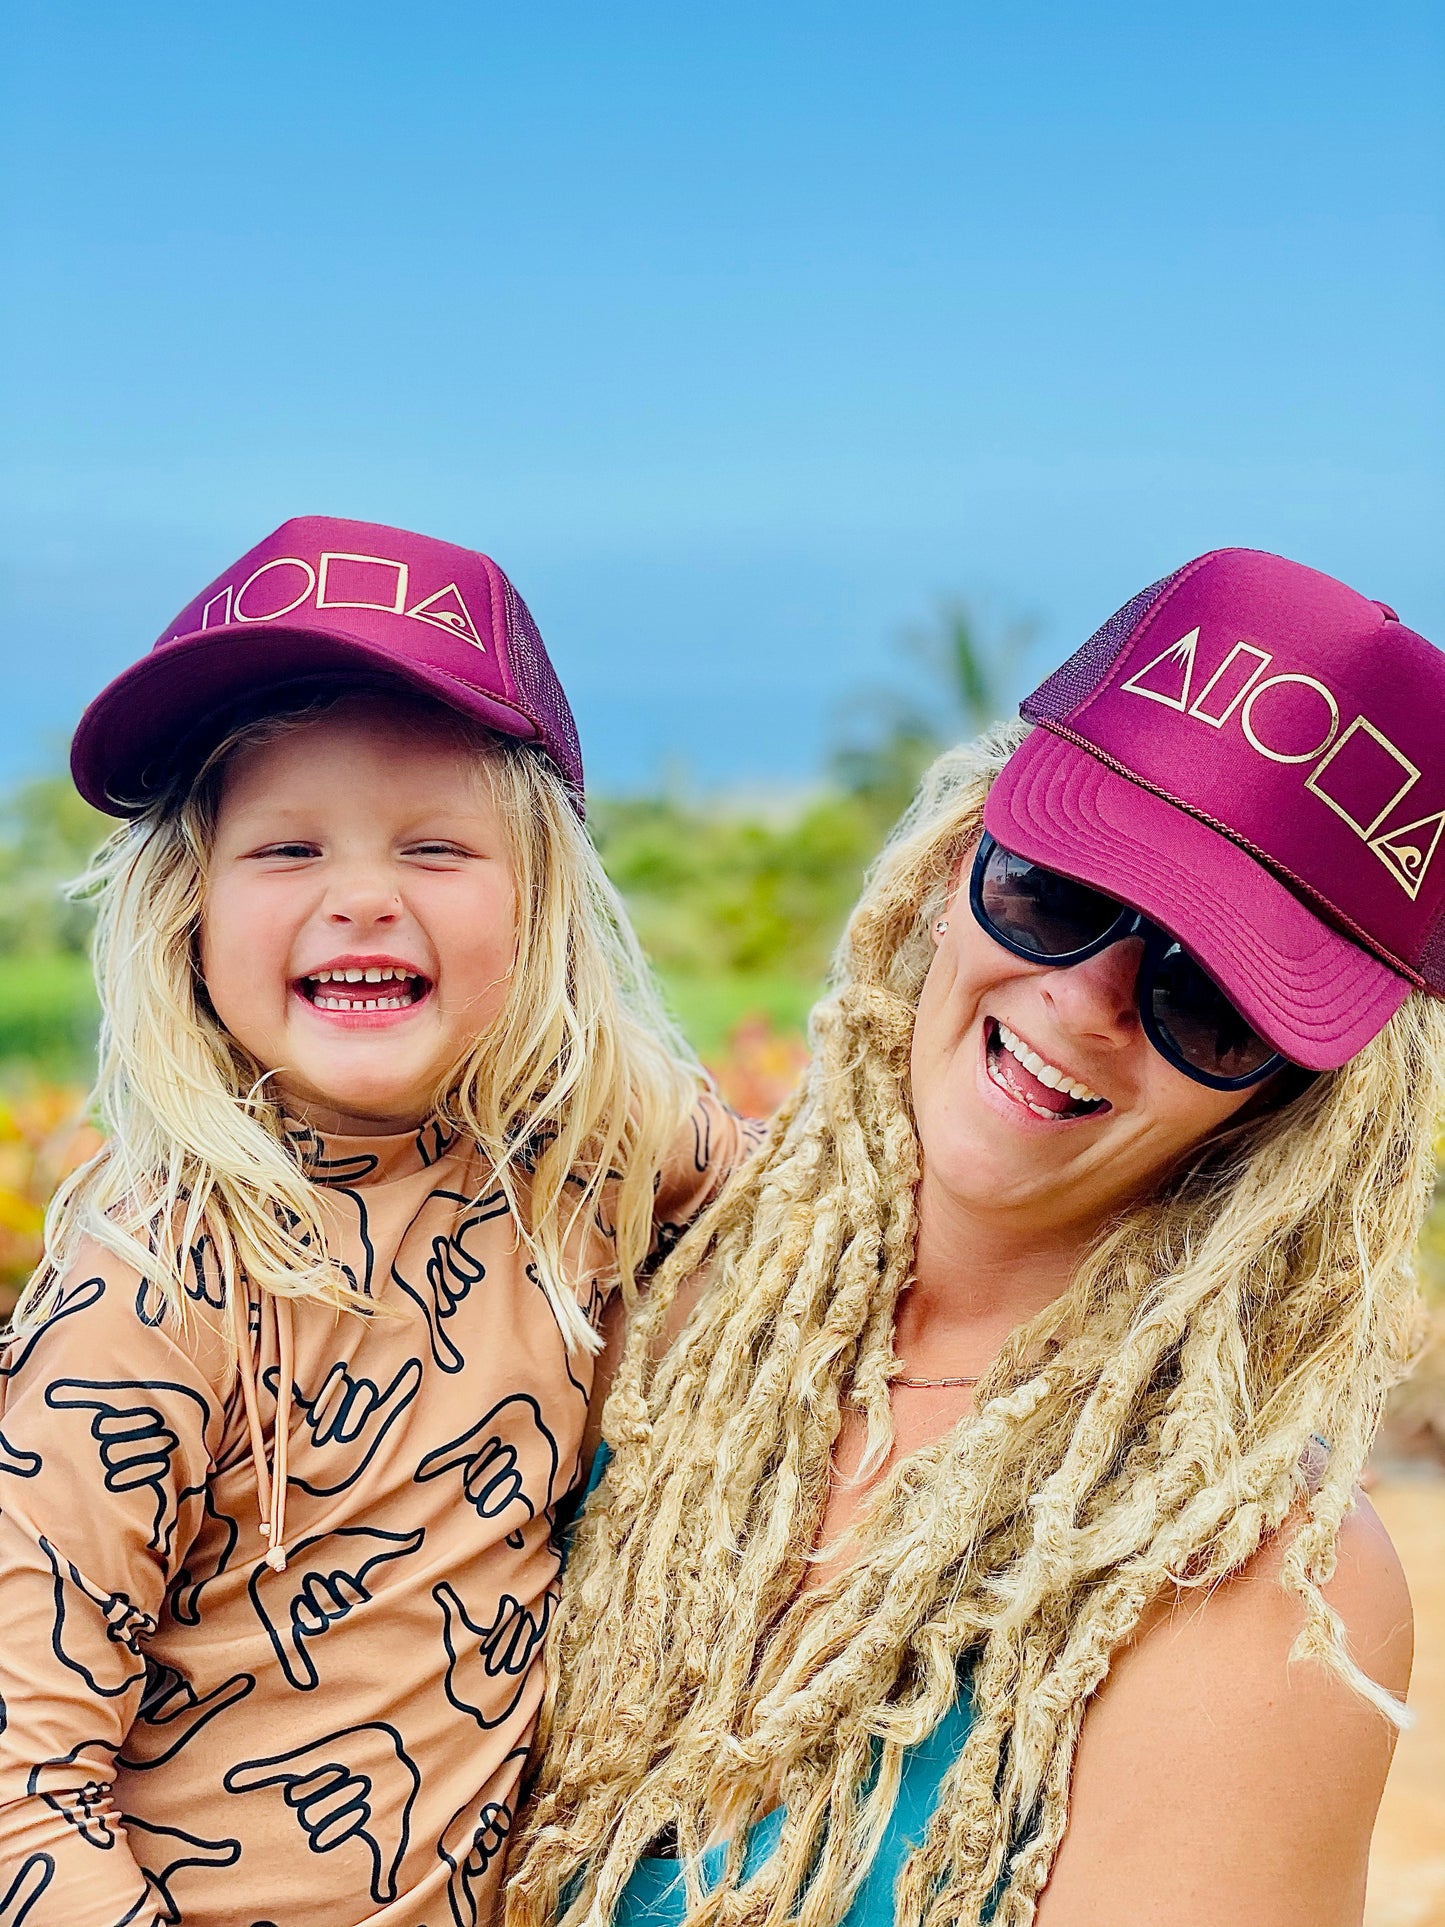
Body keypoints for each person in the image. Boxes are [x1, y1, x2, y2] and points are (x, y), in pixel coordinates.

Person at [512, 549, 1445, 1927]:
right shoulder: (623, 1287)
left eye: (1209, 996)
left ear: (1302, 1103)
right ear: (957, 858)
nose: (1083, 1004)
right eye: (1057, 893)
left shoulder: (1242, 1580)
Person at [0, 517, 757, 1927]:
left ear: (538, 908)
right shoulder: (157, 1276)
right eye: (287, 849)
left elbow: (837, 1216)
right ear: (190, 912)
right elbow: (24, 1784)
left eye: (434, 847)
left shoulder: (592, 1148)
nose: (361, 897)